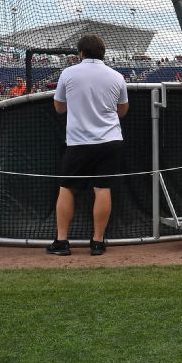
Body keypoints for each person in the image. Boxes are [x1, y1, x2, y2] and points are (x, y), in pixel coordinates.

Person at [48, 34, 129, 256]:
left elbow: (59, 107)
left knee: (67, 189)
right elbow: (122, 111)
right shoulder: (116, 76)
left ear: (81, 53)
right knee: (103, 189)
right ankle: (97, 242)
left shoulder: (69, 73)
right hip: (110, 140)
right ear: (103, 53)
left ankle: (62, 241)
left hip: (79, 142)